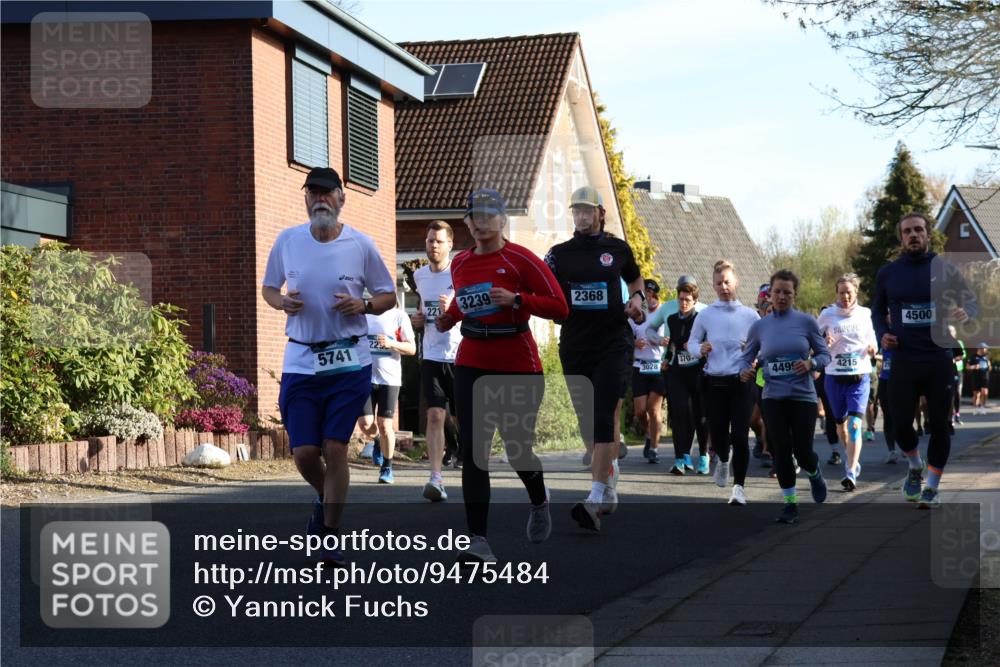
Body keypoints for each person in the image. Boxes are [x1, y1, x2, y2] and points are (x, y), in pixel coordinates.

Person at [261, 167, 396, 565]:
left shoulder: (361, 244)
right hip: (301, 359)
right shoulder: (288, 240)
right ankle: (327, 498)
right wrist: (279, 301)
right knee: (304, 454)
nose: (320, 200)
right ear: (305, 199)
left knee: (336, 447)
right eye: (313, 193)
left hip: (348, 359)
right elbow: (269, 286)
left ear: (341, 198)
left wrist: (364, 305)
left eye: (327, 193)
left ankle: (330, 534)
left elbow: (388, 294)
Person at [436, 189, 568, 563]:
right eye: (473, 217)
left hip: (516, 362)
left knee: (516, 448)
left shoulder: (520, 259)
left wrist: (518, 300)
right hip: (472, 359)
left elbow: (561, 307)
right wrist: (450, 318)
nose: (479, 223)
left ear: (502, 220)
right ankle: (478, 540)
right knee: (474, 449)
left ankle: (539, 498)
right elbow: (466, 302)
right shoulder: (460, 262)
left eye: (487, 216)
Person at [544, 185, 646, 532]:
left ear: (601, 213)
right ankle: (609, 472)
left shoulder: (616, 249)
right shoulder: (558, 254)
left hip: (613, 341)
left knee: (603, 412)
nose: (582, 217)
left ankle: (596, 497)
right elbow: (543, 287)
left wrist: (638, 300)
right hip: (575, 344)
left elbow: (635, 279)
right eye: (576, 211)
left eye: (588, 211)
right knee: (586, 419)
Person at [871, 212, 978, 508]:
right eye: (908, 231)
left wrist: (966, 313)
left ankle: (931, 485)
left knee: (940, 426)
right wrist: (883, 333)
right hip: (903, 359)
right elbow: (877, 311)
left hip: (938, 359)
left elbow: (971, 301)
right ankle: (915, 465)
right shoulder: (888, 273)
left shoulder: (945, 269)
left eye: (919, 229)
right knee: (901, 424)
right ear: (901, 238)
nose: (914, 235)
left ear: (927, 234)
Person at [740, 269, 830, 523]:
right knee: (781, 450)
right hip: (773, 396)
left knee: (803, 451)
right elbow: (746, 357)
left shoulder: (807, 322)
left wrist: (811, 364)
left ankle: (814, 473)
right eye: (776, 292)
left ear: (794, 295)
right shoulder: (759, 326)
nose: (781, 297)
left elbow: (825, 355)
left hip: (803, 396)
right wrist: (744, 371)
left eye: (787, 293)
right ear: (769, 294)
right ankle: (790, 504)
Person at [686, 260, 760, 505]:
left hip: (741, 382)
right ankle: (723, 461)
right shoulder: (706, 314)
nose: (723, 287)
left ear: (736, 282)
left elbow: (763, 348)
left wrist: (752, 354)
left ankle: (739, 488)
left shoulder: (750, 315)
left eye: (727, 282)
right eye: (719, 283)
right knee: (717, 434)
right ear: (713, 285)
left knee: (740, 435)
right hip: (714, 382)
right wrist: (700, 349)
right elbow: (691, 343)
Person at [410, 221, 463, 501]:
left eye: (439, 241)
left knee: (461, 417)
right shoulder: (419, 276)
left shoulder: (460, 272)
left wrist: (452, 310)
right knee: (434, 415)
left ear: (450, 245)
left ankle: (467, 458)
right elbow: (422, 310)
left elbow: (472, 309)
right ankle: (436, 478)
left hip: (460, 354)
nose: (433, 245)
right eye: (430, 240)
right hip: (431, 354)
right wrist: (418, 320)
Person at [817, 273, 878, 491]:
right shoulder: (827, 315)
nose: (845, 297)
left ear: (856, 293)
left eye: (849, 292)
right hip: (834, 377)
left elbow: (872, 339)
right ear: (836, 293)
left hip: (859, 377)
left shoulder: (864, 313)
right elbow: (814, 340)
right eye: (841, 292)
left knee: (854, 426)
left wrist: (873, 348)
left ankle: (850, 472)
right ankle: (851, 457)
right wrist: (824, 341)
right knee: (841, 426)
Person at [648, 278, 709, 474]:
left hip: (698, 370)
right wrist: (666, 357)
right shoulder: (672, 318)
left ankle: (703, 456)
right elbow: (672, 344)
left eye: (688, 300)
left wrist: (699, 348)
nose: (683, 303)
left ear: (695, 301)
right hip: (677, 370)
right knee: (678, 412)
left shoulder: (702, 318)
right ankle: (680, 459)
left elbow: (710, 343)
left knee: (699, 415)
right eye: (681, 299)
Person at [357, 306, 416, 484]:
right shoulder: (362, 314)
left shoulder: (399, 316)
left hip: (389, 379)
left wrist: (392, 343)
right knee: (365, 424)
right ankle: (376, 441)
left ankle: (387, 467)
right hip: (364, 376)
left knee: (385, 425)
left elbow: (412, 348)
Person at [629, 279, 667, 465]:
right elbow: (626, 338)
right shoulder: (636, 314)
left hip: (658, 366)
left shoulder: (664, 314)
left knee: (653, 408)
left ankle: (654, 448)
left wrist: (661, 340)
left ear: (656, 295)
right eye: (646, 294)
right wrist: (634, 343)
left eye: (652, 294)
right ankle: (648, 433)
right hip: (639, 366)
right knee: (640, 411)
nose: (649, 297)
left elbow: (671, 335)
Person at [876, 350, 898, 463]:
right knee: (888, 416)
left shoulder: (903, 339)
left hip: (900, 382)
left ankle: (906, 446)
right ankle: (891, 451)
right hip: (884, 381)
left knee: (900, 416)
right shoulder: (882, 341)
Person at [970, 343, 991, 414]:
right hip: (976, 377)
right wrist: (974, 366)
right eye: (984, 348)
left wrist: (988, 365)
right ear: (980, 349)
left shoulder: (987, 357)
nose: (986, 350)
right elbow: (967, 367)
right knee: (977, 394)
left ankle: (983, 407)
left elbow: (990, 368)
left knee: (985, 392)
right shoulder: (973, 357)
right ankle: (975, 408)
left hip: (985, 377)